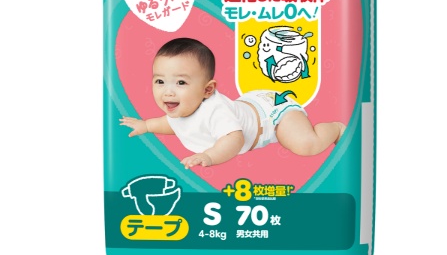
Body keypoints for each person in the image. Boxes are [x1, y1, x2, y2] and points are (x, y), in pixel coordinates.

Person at [120, 38, 345, 168]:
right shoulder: (182, 106)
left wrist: (210, 156)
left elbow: (235, 140)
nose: (167, 91)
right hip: (249, 105)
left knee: (305, 145)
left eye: (181, 82)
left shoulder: (216, 111)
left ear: (208, 90)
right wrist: (146, 125)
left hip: (274, 115)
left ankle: (335, 129)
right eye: (159, 81)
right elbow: (171, 123)